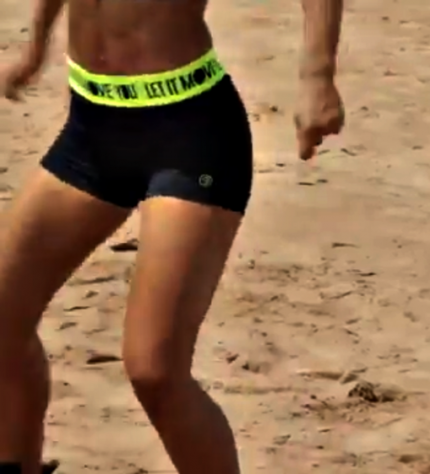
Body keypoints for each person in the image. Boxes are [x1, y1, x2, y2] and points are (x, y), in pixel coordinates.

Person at [0, 0, 344, 470]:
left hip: (189, 136)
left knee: (155, 370)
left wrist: (317, 76)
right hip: (92, 129)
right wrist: (36, 46)